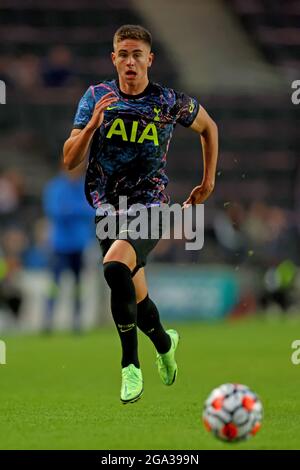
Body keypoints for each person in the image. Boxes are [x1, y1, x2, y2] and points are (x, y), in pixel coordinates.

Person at [63, 25, 218, 403]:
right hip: (106, 208)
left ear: (150, 59)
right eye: (123, 54)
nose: (130, 61)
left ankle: (129, 366)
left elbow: (208, 127)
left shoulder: (168, 101)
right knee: (137, 296)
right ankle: (165, 344)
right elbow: (69, 159)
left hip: (151, 204)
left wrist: (208, 181)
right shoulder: (97, 97)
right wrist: (91, 129)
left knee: (115, 266)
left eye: (137, 55)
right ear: (113, 58)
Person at [43, 164, 94, 332]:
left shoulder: (83, 187)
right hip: (60, 243)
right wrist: (77, 210)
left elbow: (92, 210)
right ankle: (48, 320)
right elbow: (54, 211)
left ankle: (77, 321)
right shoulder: (56, 187)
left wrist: (69, 209)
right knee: (54, 284)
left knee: (78, 285)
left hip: (79, 243)